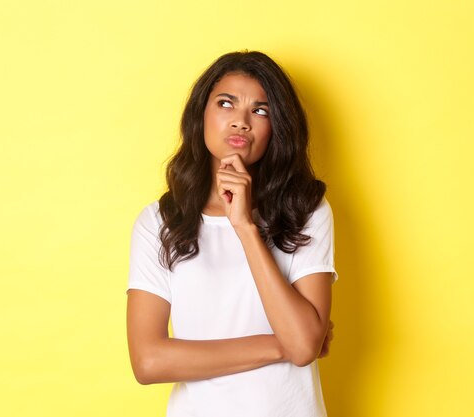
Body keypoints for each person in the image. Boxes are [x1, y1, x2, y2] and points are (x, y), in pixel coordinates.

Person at [126, 50, 338, 417]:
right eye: (226, 103)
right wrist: (281, 345)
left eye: (260, 110)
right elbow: (148, 361)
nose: (241, 122)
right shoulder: (159, 222)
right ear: (201, 115)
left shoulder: (306, 211)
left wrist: (244, 226)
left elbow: (304, 346)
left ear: (277, 127)